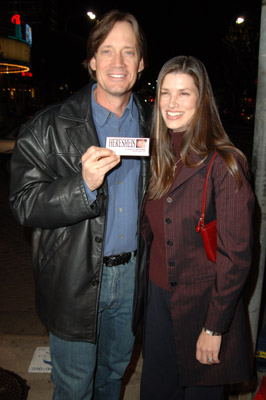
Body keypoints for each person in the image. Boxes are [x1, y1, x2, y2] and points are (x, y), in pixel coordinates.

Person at [9, 10, 149, 400]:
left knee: (111, 380)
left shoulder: (155, 125)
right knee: (73, 388)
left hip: (133, 279)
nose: (117, 63)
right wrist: (82, 186)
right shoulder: (49, 126)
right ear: (91, 61)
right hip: (74, 280)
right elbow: (23, 203)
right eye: (106, 51)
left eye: (128, 52)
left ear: (141, 62)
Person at [140, 55, 255, 400]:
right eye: (166, 92)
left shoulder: (225, 163)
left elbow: (236, 257)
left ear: (202, 100)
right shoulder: (158, 156)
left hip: (204, 305)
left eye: (184, 94)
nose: (172, 104)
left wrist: (214, 327)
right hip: (158, 303)